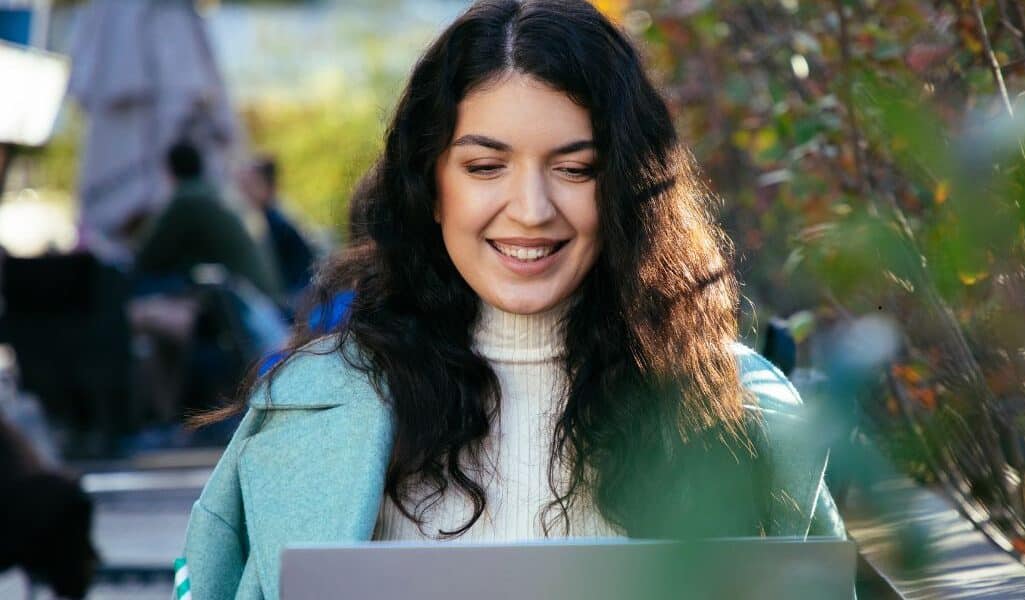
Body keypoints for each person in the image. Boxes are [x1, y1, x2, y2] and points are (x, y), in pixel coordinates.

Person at [178, 1, 846, 598]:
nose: (530, 210)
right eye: (485, 166)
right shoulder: (305, 410)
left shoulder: (739, 410)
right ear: (431, 184)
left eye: (575, 168)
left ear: (627, 187)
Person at [134, 141, 282, 301]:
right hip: (265, 294)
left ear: (169, 172)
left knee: (144, 288)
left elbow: (147, 258)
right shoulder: (216, 192)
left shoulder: (187, 199)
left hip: (251, 300)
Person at [237, 155, 316, 303]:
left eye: (252, 183)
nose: (245, 190)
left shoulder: (278, 222)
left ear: (268, 186)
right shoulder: (268, 218)